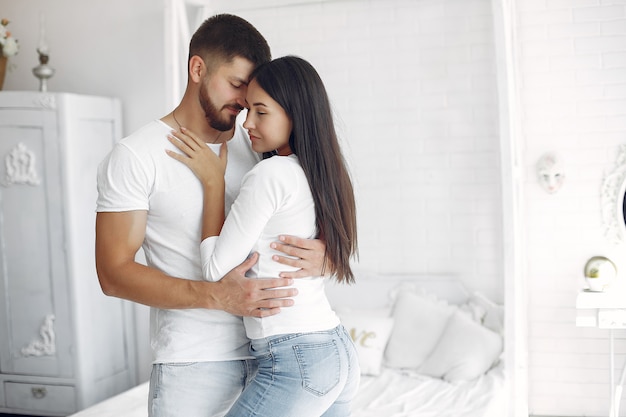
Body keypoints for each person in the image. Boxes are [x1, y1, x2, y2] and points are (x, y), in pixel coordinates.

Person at [95, 15, 329, 417]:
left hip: (274, 358)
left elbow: (306, 213)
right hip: (194, 364)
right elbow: (113, 274)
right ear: (197, 68)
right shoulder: (135, 156)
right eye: (236, 84)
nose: (243, 101)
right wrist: (217, 296)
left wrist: (325, 256)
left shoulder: (259, 144)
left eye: (251, 90)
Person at [167, 55, 360, 417]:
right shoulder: (322, 172)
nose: (247, 124)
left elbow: (213, 268)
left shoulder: (270, 174)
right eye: (246, 110)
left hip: (295, 358)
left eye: (261, 111)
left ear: (294, 113)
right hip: (336, 349)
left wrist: (213, 183)